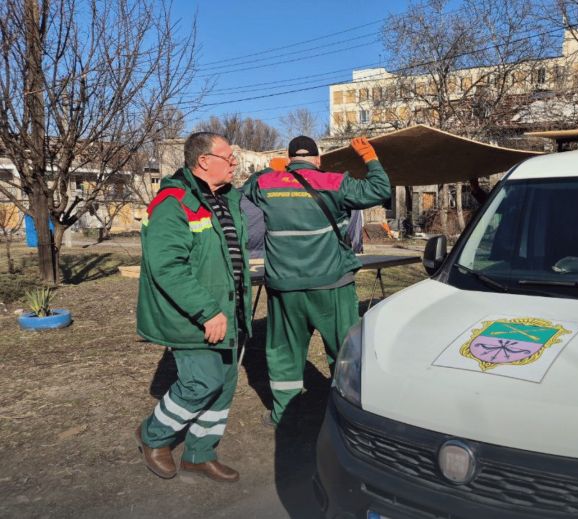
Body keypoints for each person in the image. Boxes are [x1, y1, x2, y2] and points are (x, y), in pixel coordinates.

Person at [242, 135, 390, 428]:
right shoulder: (335, 182)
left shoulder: (266, 184)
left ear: (288, 158)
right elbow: (380, 189)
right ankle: (347, 413)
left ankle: (283, 412)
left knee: (284, 349)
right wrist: (370, 158)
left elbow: (246, 189)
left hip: (285, 288)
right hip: (332, 284)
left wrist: (270, 171)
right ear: (318, 160)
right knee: (343, 348)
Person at [135, 132, 252, 482]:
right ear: (204, 161)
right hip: (196, 316)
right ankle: (153, 436)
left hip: (230, 312)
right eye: (229, 158)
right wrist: (206, 310)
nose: (235, 164)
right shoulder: (173, 202)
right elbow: (167, 265)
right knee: (202, 382)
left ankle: (200, 453)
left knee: (224, 384)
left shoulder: (227, 198)